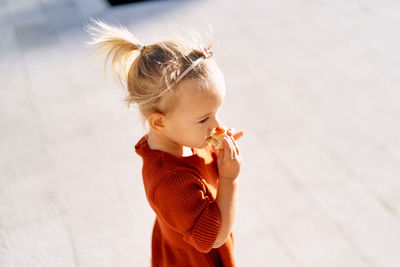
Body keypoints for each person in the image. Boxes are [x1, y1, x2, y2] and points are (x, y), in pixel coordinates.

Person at [86, 20, 243, 267]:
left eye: (216, 112)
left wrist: (219, 149)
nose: (217, 125)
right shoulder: (169, 181)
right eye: (204, 119)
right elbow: (214, 238)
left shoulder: (186, 136)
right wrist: (229, 179)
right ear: (160, 123)